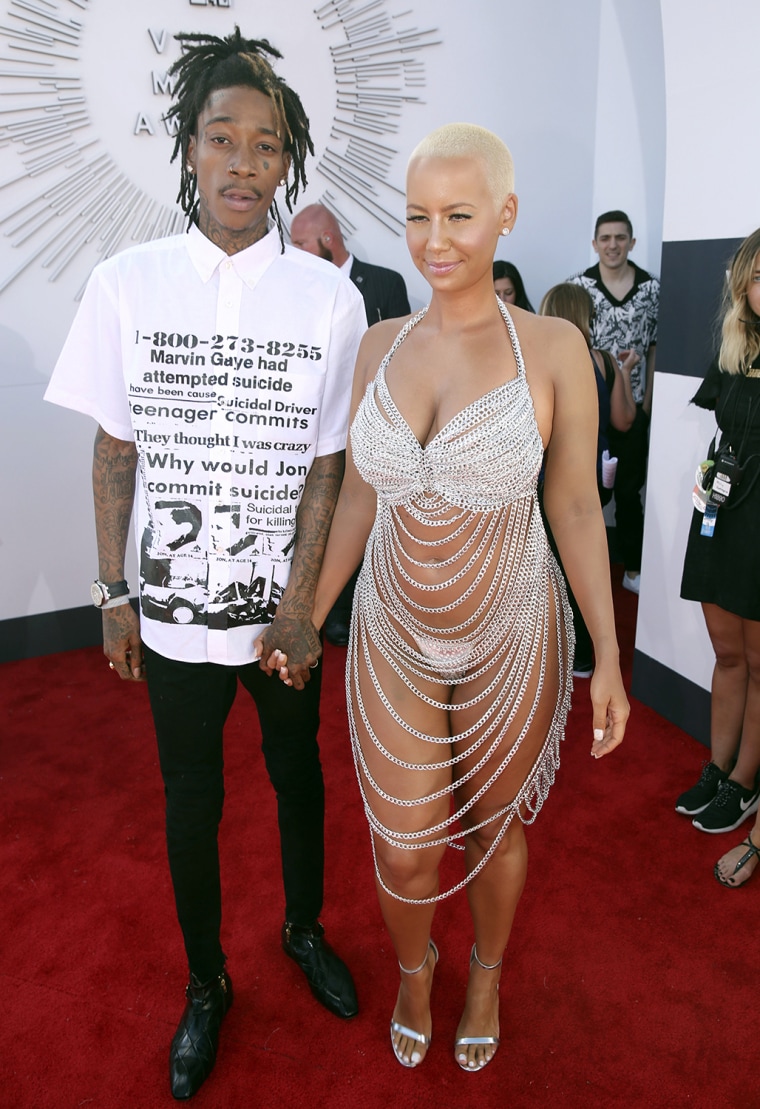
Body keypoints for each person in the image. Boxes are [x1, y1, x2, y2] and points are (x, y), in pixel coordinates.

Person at [264, 124, 628, 1073]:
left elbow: (578, 506)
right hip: (393, 623)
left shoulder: (554, 346)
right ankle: (417, 969)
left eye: (460, 215)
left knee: (497, 825)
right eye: (419, 215)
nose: (436, 238)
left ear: (505, 215)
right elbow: (357, 496)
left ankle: (488, 972)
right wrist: (309, 608)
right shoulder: (378, 342)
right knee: (405, 848)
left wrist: (610, 655)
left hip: (515, 623)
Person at [44, 29, 367, 1100]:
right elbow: (113, 449)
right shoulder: (128, 282)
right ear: (187, 149)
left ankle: (304, 927)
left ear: (286, 163)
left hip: (278, 619)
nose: (240, 162)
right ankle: (206, 980)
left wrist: (299, 610)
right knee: (191, 796)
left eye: (263, 144)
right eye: (220, 139)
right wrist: (112, 593)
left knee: (295, 776)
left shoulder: (329, 300)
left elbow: (326, 469)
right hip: (172, 616)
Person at [290, 202, 411, 646]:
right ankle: (334, 612)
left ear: (328, 239)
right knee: (323, 515)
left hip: (376, 423)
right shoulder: (296, 287)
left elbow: (402, 350)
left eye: (299, 242)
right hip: (316, 425)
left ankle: (375, 606)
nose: (292, 250)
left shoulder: (384, 283)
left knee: (375, 516)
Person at [678, 228, 760, 855]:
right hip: (721, 516)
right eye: (756, 276)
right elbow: (726, 438)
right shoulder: (737, 351)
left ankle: (744, 780)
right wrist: (707, 485)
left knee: (759, 665)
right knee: (727, 655)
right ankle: (719, 765)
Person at [539, 283, 636, 676]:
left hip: (546, 473)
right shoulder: (602, 361)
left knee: (549, 563)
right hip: (595, 471)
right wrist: (624, 373)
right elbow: (624, 421)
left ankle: (555, 650)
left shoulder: (536, 357)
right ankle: (580, 652)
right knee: (584, 558)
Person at [569, 210, 659, 595]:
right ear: (594, 244)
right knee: (579, 493)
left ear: (632, 243)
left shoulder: (652, 291)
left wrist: (649, 406)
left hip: (632, 409)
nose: (612, 245)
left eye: (620, 238)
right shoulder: (578, 287)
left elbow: (655, 350)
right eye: (605, 238)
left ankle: (633, 570)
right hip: (586, 408)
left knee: (628, 493)